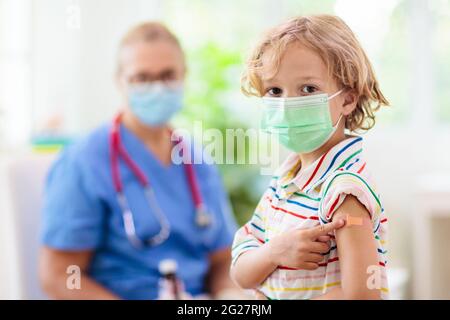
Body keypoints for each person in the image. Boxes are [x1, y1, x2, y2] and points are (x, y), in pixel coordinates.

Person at [39, 22, 239, 300]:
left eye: (168, 75)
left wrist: (229, 294)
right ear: (120, 81)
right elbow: (60, 275)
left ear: (184, 76)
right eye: (142, 78)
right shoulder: (84, 161)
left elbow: (221, 259)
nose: (157, 88)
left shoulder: (197, 160)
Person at [230, 15, 389, 300]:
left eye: (308, 89)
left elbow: (363, 295)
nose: (288, 104)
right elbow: (241, 273)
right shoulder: (284, 179)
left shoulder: (345, 192)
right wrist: (276, 250)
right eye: (275, 90)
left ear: (347, 100)